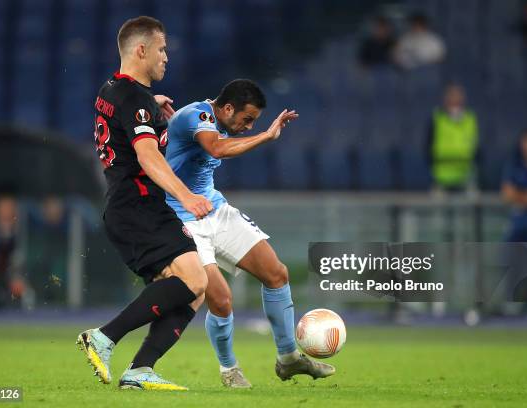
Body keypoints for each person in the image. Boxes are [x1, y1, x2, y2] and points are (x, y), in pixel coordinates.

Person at [165, 79, 335, 388]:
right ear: (227, 108)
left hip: (215, 208)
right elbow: (215, 147)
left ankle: (288, 358)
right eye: (246, 119)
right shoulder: (197, 116)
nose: (247, 126)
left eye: (253, 122)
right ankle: (229, 369)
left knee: (276, 273)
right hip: (182, 217)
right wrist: (266, 135)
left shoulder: (204, 121)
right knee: (220, 299)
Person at [77, 16, 212, 391]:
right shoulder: (135, 99)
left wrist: (151, 108)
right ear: (141, 50)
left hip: (126, 207)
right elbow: (148, 156)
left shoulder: (112, 89)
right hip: (138, 206)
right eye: (162, 49)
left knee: (193, 289)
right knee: (195, 278)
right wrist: (187, 196)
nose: (166, 56)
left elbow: (125, 112)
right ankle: (103, 337)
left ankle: (140, 370)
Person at [426, 83, 479, 192]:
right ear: (446, 100)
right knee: (436, 203)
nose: (455, 102)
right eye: (451, 98)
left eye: (458, 99)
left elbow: (476, 146)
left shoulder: (470, 119)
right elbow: (427, 146)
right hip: (441, 175)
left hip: (466, 174)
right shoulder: (437, 119)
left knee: (474, 197)